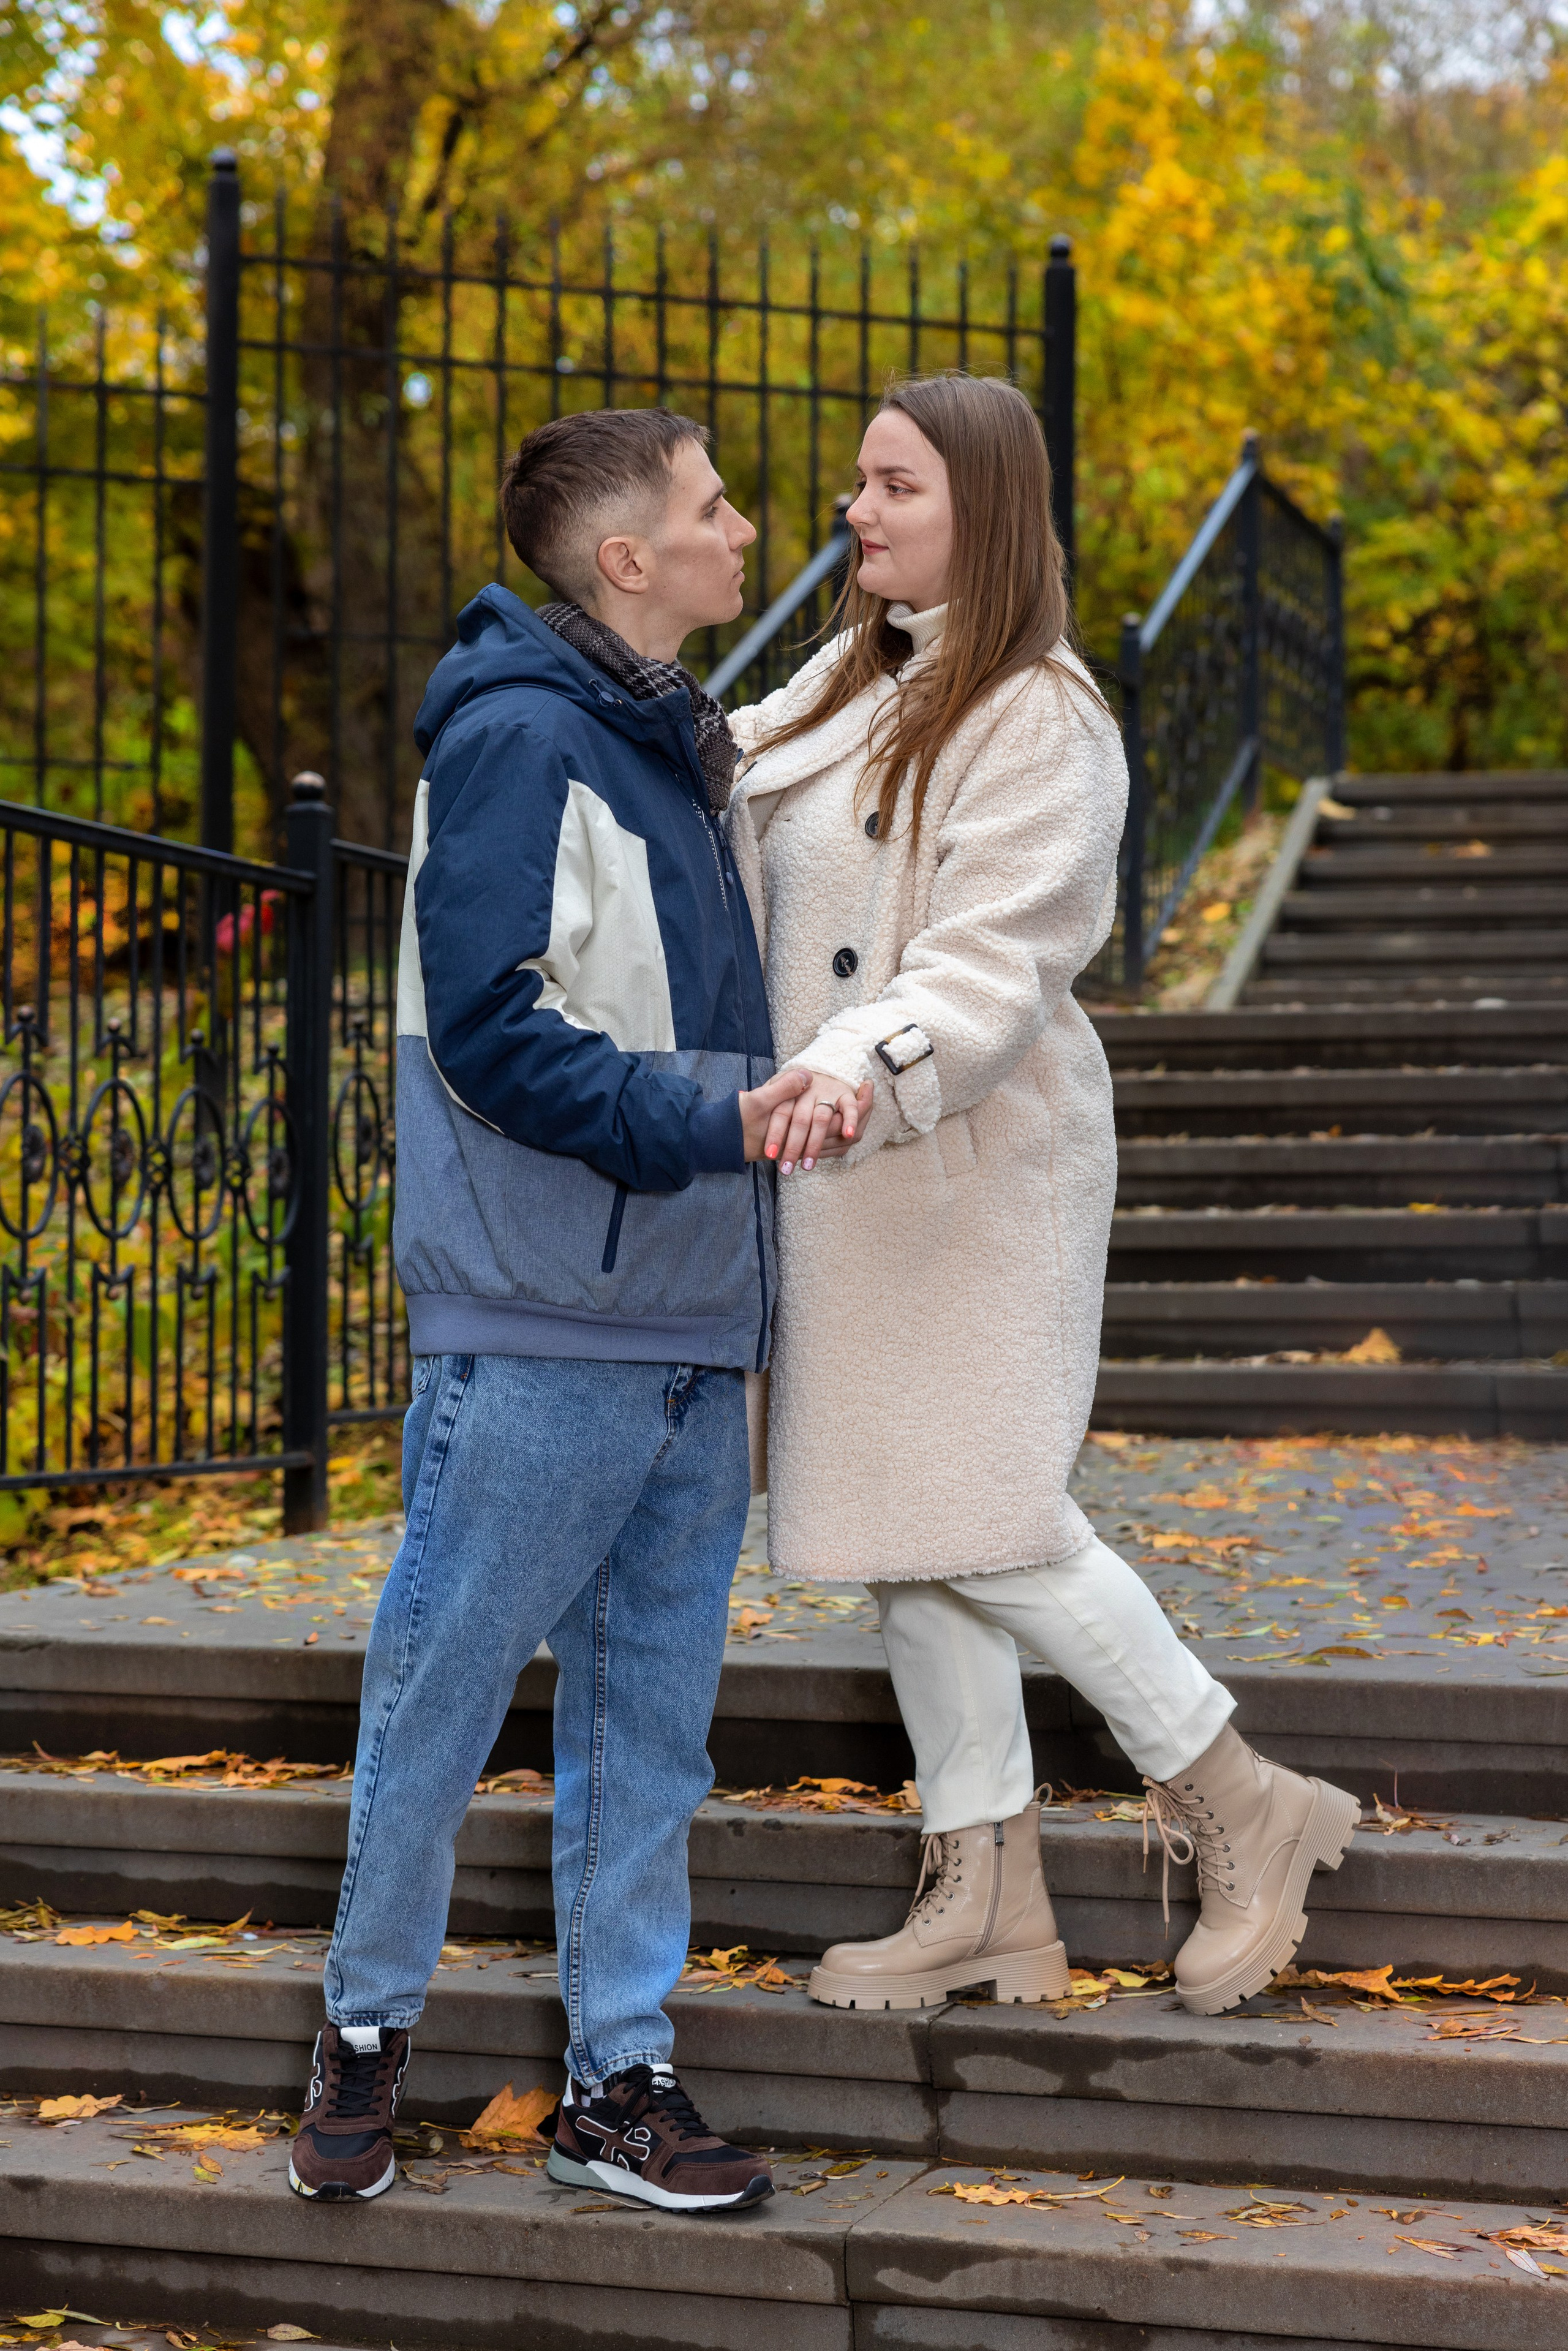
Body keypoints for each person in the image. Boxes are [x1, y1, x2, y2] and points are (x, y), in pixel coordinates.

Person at [728, 372, 1358, 2020]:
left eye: (895, 485)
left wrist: (863, 1062)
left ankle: (1241, 1797)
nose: (856, 510)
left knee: (992, 1518)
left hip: (964, 1161)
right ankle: (985, 1886)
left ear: (982, 508)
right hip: (843, 1166)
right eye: (860, 482)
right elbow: (716, 767)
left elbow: (998, 958)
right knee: (905, 1535)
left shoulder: (1044, 714)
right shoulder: (859, 676)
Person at [291, 407, 829, 2211]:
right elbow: (492, 1029)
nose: (746, 530)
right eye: (712, 507)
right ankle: (368, 2033)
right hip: (539, 1328)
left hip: (693, 1322)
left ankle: (621, 2085)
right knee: (439, 1695)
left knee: (650, 1737)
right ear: (627, 560)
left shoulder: (674, 744)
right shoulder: (524, 738)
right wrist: (712, 1113)